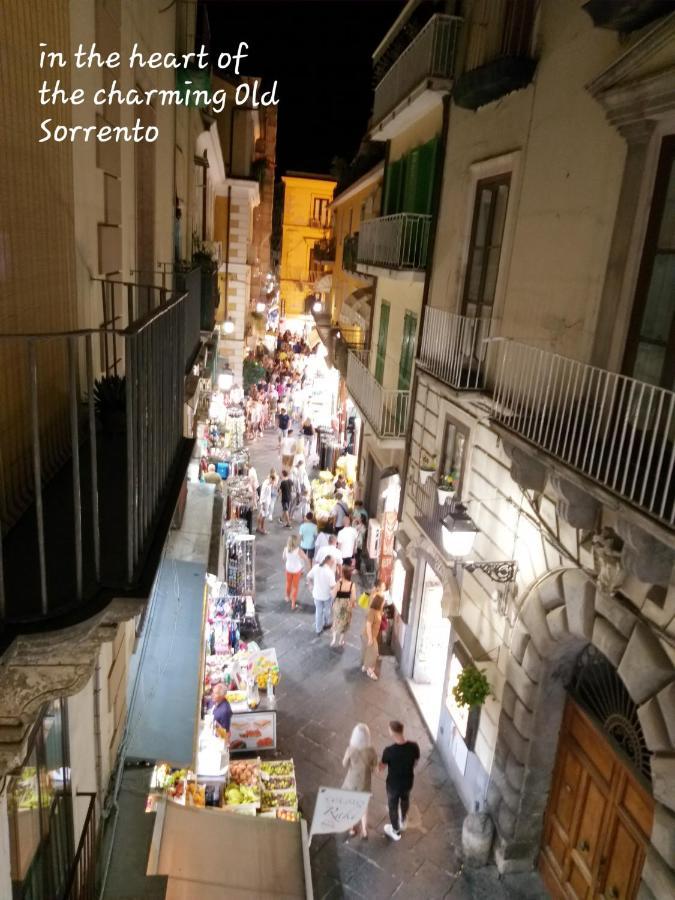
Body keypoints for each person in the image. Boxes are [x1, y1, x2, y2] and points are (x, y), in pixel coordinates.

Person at [379, 721, 420, 842]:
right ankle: (403, 819)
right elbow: (416, 763)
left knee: (392, 806)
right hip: (408, 782)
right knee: (405, 799)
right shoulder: (414, 746)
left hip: (393, 785)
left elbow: (381, 768)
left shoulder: (389, 751)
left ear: (392, 732)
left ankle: (395, 831)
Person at [342, 723, 378, 839]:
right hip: (364, 784)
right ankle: (364, 831)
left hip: (351, 783)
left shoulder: (350, 750)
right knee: (363, 808)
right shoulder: (371, 751)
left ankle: (351, 828)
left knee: (351, 805)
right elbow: (374, 767)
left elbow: (344, 764)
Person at [307, 556, 338, 635]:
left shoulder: (316, 567)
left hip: (316, 594)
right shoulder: (329, 572)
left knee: (318, 611)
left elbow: (308, 576)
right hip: (326, 595)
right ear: (330, 562)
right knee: (327, 610)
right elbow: (332, 586)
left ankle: (318, 629)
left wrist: (310, 586)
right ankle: (326, 623)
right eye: (333, 562)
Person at [331, 564, 356, 648]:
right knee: (345, 623)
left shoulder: (339, 583)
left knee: (336, 620)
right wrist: (352, 604)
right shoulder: (352, 585)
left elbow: (333, 595)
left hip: (338, 604)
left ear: (343, 574)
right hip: (347, 605)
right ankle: (341, 640)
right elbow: (353, 598)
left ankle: (334, 639)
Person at [361, 592, 385, 680]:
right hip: (368, 635)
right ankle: (370, 671)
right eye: (383, 602)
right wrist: (370, 638)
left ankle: (365, 666)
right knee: (374, 653)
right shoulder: (372, 611)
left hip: (373, 636)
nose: (384, 603)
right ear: (379, 603)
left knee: (368, 651)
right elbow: (368, 625)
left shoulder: (379, 611)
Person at [283, 535, 307, 610]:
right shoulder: (298, 550)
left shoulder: (286, 549)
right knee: (295, 587)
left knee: (288, 583)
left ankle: (287, 597)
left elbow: (283, 558)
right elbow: (305, 558)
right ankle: (293, 603)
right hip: (296, 570)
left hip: (288, 569)